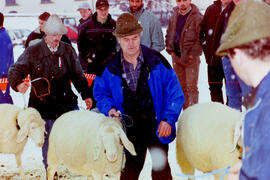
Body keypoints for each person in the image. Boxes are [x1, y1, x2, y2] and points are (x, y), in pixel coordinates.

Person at [93, 13, 184, 180]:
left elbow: (175, 94)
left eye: (134, 38)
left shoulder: (157, 62)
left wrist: (168, 119)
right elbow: (100, 93)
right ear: (118, 40)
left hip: (156, 124)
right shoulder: (109, 67)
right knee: (129, 173)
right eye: (126, 39)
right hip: (129, 128)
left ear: (140, 36)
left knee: (161, 170)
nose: (131, 43)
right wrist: (110, 108)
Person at [8, 14, 92, 170]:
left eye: (59, 34)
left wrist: (86, 95)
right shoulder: (33, 51)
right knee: (48, 146)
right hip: (43, 107)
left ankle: (69, 167)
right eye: (53, 34)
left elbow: (78, 76)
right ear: (45, 33)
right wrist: (18, 84)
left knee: (71, 141)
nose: (57, 38)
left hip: (66, 104)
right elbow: (15, 70)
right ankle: (50, 171)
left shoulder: (67, 50)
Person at [216, 1, 270, 179]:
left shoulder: (265, 110)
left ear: (237, 53)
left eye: (229, 55)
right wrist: (248, 170)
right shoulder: (261, 99)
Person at [77, 0, 117, 109]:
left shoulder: (114, 25)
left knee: (109, 95)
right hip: (93, 66)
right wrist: (87, 58)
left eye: (106, 9)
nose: (103, 12)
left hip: (109, 67)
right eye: (101, 9)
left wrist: (113, 59)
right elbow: (81, 45)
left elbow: (118, 45)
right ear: (96, 10)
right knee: (94, 95)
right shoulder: (87, 26)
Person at [213, 0, 251, 111]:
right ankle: (236, 124)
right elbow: (218, 34)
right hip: (228, 61)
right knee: (233, 96)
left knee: (250, 97)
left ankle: (253, 126)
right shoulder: (226, 11)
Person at [165, 0, 203, 110]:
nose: (182, 3)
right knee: (180, 88)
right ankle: (186, 114)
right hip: (177, 59)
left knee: (191, 88)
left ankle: (193, 116)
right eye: (179, 1)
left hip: (191, 60)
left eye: (185, 0)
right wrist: (170, 50)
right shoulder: (173, 16)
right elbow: (169, 34)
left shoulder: (197, 17)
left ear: (190, 1)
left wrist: (192, 55)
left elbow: (201, 38)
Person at [199, 0, 226, 104]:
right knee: (214, 90)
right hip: (213, 61)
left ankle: (231, 117)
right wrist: (207, 48)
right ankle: (218, 116)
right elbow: (202, 33)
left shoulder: (236, 9)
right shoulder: (211, 9)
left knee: (232, 93)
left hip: (231, 61)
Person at [0, 12, 14, 104]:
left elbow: (4, 60)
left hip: (2, 77)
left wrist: (3, 77)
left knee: (4, 102)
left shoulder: (2, 37)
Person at [77, 2, 93, 71]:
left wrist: (89, 57)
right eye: (81, 12)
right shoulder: (80, 25)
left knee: (92, 79)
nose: (83, 14)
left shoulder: (94, 24)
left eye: (85, 11)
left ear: (90, 11)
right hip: (82, 59)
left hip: (91, 59)